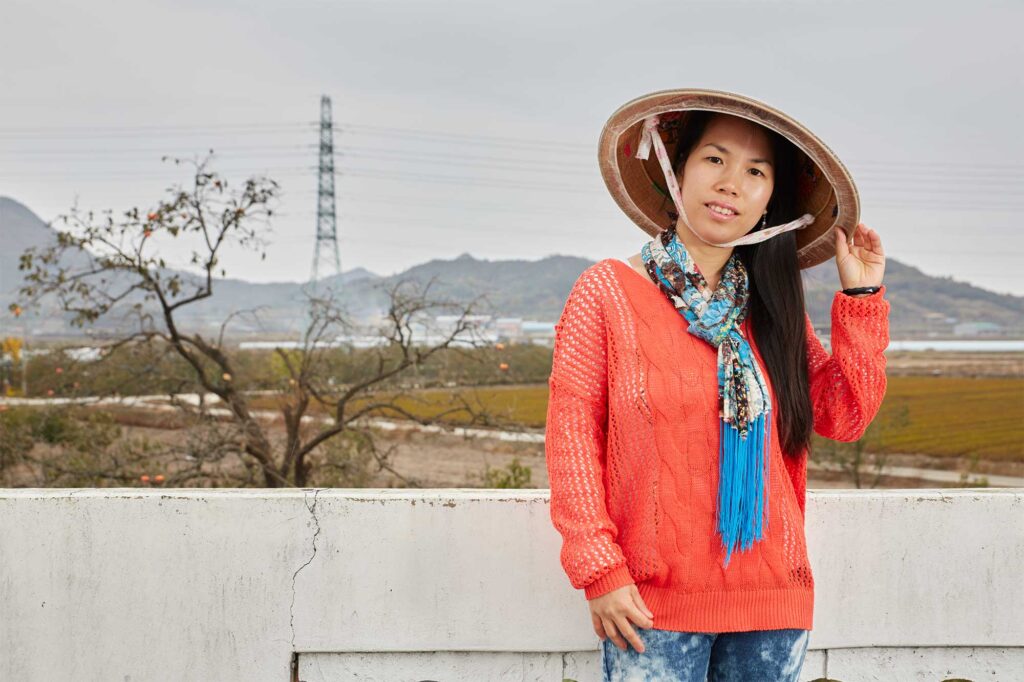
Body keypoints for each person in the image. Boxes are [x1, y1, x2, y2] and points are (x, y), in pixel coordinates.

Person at [544, 89, 890, 681]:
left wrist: (860, 297)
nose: (732, 182)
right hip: (651, 606)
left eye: (756, 171)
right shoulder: (606, 293)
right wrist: (599, 569)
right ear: (677, 172)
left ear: (769, 203)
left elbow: (845, 415)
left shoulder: (774, 308)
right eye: (715, 158)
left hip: (772, 603)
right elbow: (572, 439)